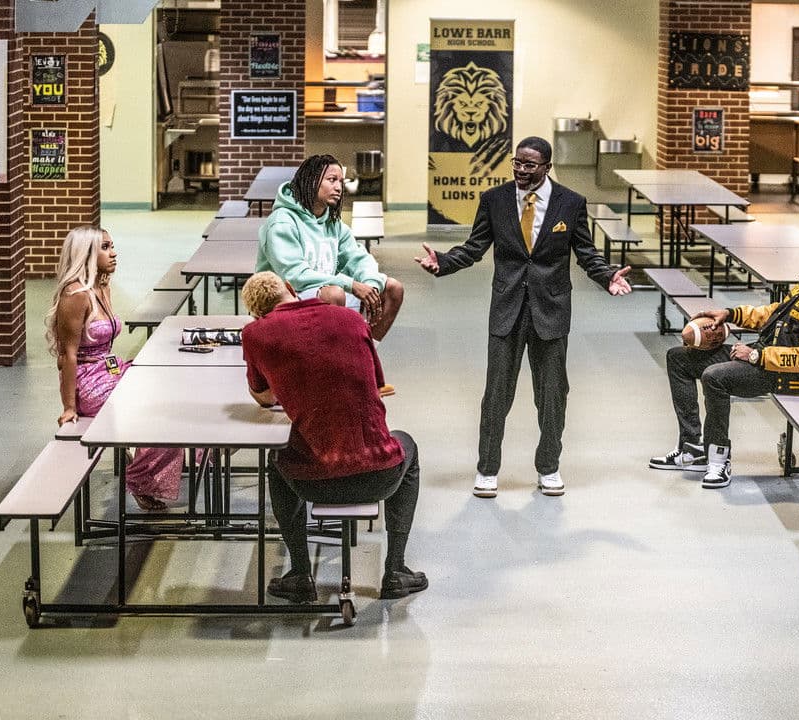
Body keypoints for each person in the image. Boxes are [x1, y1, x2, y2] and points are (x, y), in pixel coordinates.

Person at [415, 136, 632, 498]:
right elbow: (475, 247)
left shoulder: (571, 203)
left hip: (551, 311)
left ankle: (549, 467)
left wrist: (607, 276)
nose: (520, 170)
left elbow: (586, 252)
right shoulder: (495, 199)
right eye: (517, 163)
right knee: (496, 395)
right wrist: (444, 262)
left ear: (547, 167)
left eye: (529, 165)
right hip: (507, 308)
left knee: (552, 396)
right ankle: (487, 469)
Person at [240, 271, 426, 602]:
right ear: (290, 288)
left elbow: (264, 396)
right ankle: (396, 569)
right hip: (379, 474)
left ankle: (300, 573)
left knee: (277, 457)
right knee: (406, 443)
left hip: (311, 482)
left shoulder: (255, 334)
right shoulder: (351, 320)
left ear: (256, 313)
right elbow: (376, 385)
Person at [649, 225, 799, 489]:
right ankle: (691, 446)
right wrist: (731, 314)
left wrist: (756, 356)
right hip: (767, 354)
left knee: (715, 377)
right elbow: (776, 312)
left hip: (794, 374)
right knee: (679, 358)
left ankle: (718, 458)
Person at [46, 226, 185, 511]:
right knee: (155, 405)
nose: (114, 253)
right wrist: (69, 408)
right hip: (88, 381)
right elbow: (67, 355)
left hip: (109, 368)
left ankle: (169, 460)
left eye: (112, 246)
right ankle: (141, 478)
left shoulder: (102, 286)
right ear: (86, 253)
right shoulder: (75, 295)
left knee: (171, 386)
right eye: (106, 247)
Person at [257, 154, 404, 342]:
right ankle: (333, 356)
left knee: (393, 288)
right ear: (311, 181)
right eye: (332, 180)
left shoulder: (332, 223)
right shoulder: (282, 223)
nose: (339, 187)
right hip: (284, 299)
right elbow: (294, 276)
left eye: (341, 181)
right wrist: (350, 285)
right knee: (334, 293)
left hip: (321, 294)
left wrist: (371, 285)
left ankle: (365, 350)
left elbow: (359, 258)